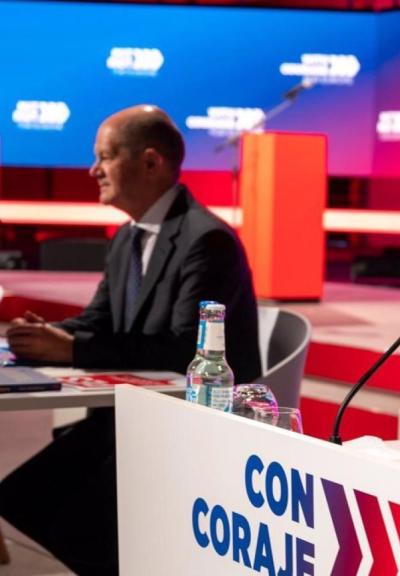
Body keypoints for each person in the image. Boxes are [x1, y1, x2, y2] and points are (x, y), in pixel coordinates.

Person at [0, 105, 261, 575]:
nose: (92, 170)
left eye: (105, 156)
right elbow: (101, 319)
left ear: (149, 162)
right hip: (129, 415)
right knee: (21, 498)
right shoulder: (127, 238)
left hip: (188, 422)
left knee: (75, 515)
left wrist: (73, 349)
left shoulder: (206, 240)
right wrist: (51, 335)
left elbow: (188, 350)